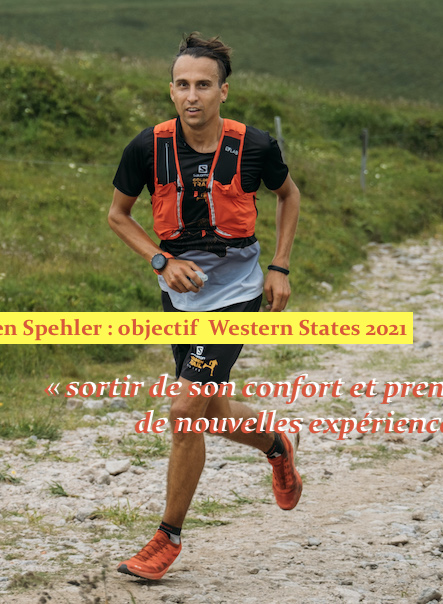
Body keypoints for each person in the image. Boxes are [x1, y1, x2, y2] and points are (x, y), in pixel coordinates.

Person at [108, 32, 302, 581]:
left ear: (223, 92)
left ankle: (166, 539)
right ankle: (275, 444)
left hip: (237, 291)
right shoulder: (146, 148)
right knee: (206, 408)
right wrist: (159, 262)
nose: (192, 95)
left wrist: (280, 267)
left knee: (186, 409)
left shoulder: (256, 146)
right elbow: (118, 216)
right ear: (171, 90)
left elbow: (289, 196)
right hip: (180, 293)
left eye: (204, 85)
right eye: (182, 85)